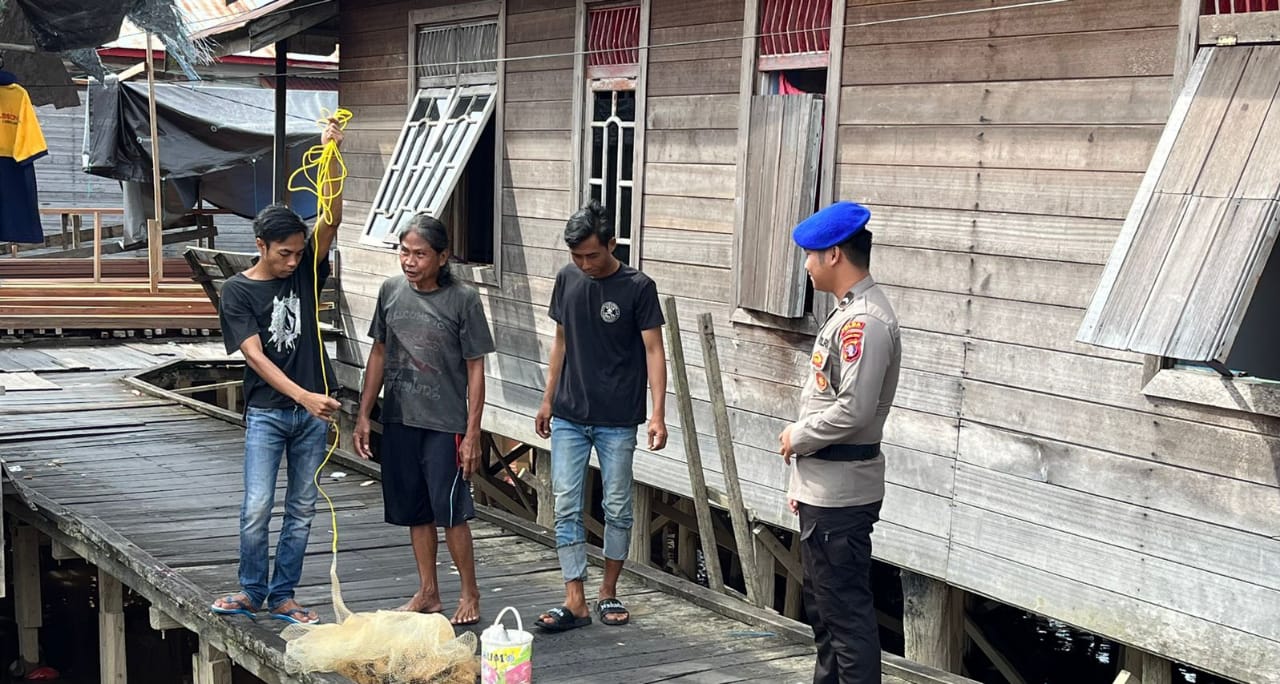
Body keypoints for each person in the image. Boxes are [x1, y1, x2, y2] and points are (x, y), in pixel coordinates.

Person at [211, 120, 346, 625]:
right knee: (257, 505)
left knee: (304, 507)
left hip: (311, 416)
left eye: (298, 251)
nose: (293, 261)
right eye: (283, 253)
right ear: (261, 245)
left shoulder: (309, 269)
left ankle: (283, 594)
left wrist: (331, 154)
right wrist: (305, 396)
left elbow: (331, 217)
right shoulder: (238, 291)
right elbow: (255, 357)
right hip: (269, 413)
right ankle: (251, 588)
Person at [778, 202, 901, 684]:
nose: (805, 266)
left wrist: (797, 437)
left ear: (833, 255)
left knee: (845, 618)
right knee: (825, 614)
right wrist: (800, 479)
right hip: (824, 486)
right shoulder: (847, 313)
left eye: (809, 255)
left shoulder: (865, 322)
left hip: (842, 493)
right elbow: (823, 400)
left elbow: (853, 410)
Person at [353, 214, 495, 626]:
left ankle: (470, 592)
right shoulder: (390, 291)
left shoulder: (462, 299)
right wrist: (365, 414)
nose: (410, 261)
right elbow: (378, 352)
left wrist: (472, 433)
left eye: (420, 254)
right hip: (400, 417)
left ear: (442, 256)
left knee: (450, 511)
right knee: (414, 510)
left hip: (445, 422)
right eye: (404, 252)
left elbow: (476, 368)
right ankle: (428, 591)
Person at [534, 200, 668, 632]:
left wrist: (658, 414)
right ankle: (575, 598)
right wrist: (547, 398)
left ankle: (608, 591)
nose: (585, 264)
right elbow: (560, 341)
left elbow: (654, 351)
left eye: (593, 254)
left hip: (617, 417)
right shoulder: (567, 278)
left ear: (612, 243)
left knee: (617, 505)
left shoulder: (637, 286)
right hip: (570, 413)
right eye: (577, 256)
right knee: (566, 502)